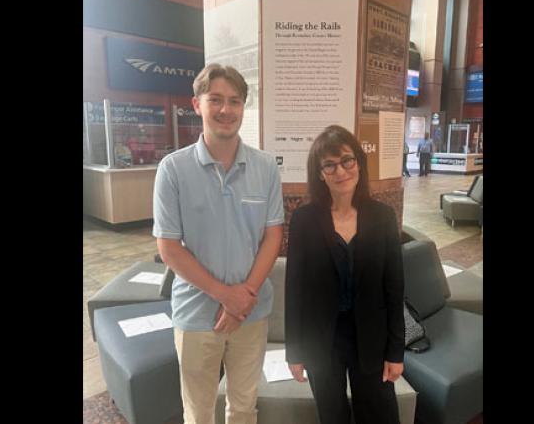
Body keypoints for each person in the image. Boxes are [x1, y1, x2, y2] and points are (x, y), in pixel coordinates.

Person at [153, 63, 284, 424]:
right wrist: (226, 295)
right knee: (198, 411)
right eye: (216, 100)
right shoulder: (173, 169)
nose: (226, 110)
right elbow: (169, 247)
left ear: (244, 107)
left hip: (252, 313)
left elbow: (273, 235)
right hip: (196, 315)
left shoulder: (265, 166)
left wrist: (244, 297)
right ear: (197, 104)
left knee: (244, 407)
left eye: (235, 101)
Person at [285, 125, 405, 424]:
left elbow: (394, 288)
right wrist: (294, 352)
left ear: (359, 164)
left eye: (347, 160)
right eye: (329, 164)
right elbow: (294, 290)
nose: (340, 171)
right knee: (332, 415)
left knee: (378, 414)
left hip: (372, 337)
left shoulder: (383, 216)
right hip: (321, 340)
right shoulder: (304, 219)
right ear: (320, 173)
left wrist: (396, 351)